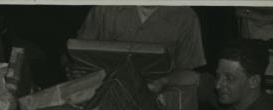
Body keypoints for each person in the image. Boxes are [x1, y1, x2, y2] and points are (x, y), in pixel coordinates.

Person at [74, 5, 206, 90]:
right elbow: (75, 57)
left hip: (158, 98)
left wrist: (163, 82)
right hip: (103, 90)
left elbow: (189, 74)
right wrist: (74, 69)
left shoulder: (187, 17)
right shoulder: (104, 8)